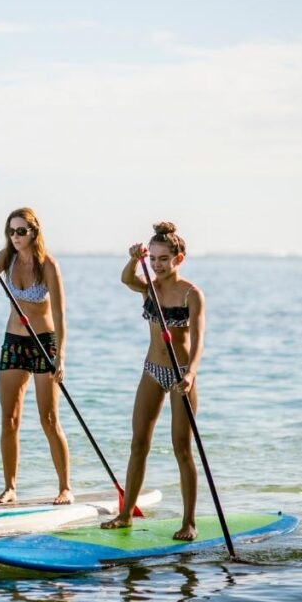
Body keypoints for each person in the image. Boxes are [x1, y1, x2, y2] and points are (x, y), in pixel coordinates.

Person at [102, 221, 205, 540]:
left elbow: (199, 340)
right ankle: (124, 515)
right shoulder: (148, 285)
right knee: (138, 443)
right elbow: (125, 278)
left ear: (179, 258)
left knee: (181, 448)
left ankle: (188, 522)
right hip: (151, 370)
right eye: (154, 258)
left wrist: (190, 374)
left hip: (180, 374)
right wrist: (135, 258)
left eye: (164, 259)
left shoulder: (191, 293)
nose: (158, 265)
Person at [0, 207, 72, 505]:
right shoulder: (6, 257)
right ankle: (10, 487)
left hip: (44, 343)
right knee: (10, 419)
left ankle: (65, 487)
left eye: (21, 231)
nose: (15, 237)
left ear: (34, 232)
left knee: (49, 418)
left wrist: (61, 357)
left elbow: (59, 314)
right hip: (14, 342)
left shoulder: (49, 266)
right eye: (11, 231)